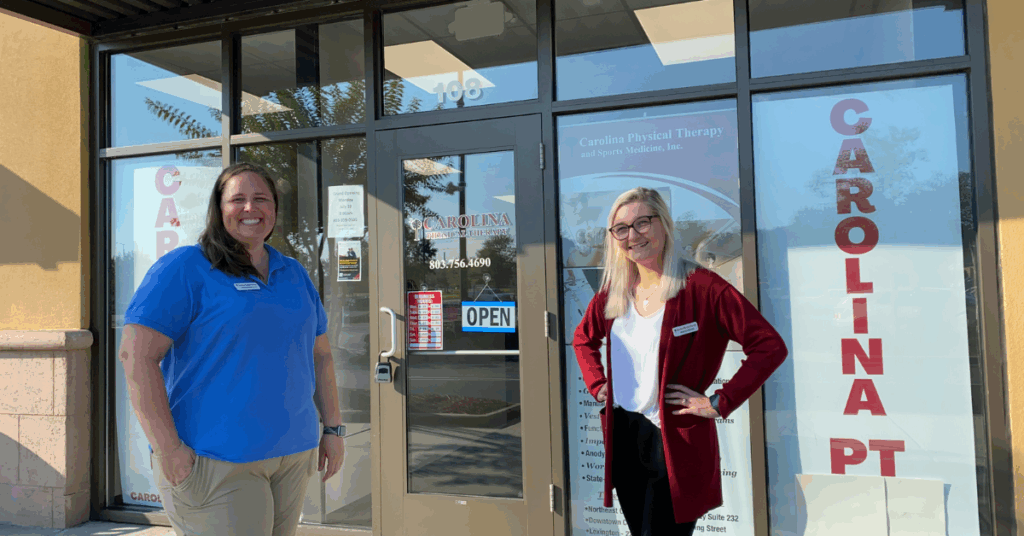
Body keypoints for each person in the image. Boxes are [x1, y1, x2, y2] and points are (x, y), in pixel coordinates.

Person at [119, 162, 346, 536]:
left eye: (261, 198)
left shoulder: (293, 274)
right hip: (216, 460)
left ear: (274, 208)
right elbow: (136, 356)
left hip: (292, 455)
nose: (249, 208)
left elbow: (320, 354)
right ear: (218, 208)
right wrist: (168, 449)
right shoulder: (186, 268)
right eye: (237, 199)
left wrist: (334, 430)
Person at [573, 187, 787, 536]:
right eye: (621, 228)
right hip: (626, 437)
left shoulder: (701, 287)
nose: (633, 235)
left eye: (642, 222)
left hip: (673, 439)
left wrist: (720, 401)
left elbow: (769, 346)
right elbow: (583, 339)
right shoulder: (615, 291)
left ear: (663, 225)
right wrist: (598, 384)